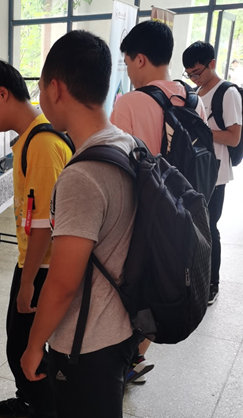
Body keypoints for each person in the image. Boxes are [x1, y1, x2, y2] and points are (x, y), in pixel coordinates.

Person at [20, 30, 139, 418]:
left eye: (39, 88)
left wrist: (33, 345)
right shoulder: (127, 144)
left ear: (55, 88)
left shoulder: (82, 176)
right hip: (123, 323)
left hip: (85, 345)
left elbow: (63, 282)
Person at [0, 60, 73, 418]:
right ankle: (30, 401)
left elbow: (44, 224)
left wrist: (27, 283)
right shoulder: (32, 138)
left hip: (42, 266)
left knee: (25, 350)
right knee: (20, 343)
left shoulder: (41, 144)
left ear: (2, 93)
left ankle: (43, 409)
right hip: (33, 261)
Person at [109, 20, 207, 384]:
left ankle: (118, 363)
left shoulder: (131, 102)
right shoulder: (191, 99)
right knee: (162, 282)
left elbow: (116, 168)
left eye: (127, 62)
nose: (128, 71)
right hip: (181, 210)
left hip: (140, 214)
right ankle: (137, 356)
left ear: (139, 59)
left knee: (129, 288)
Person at [183, 42, 242, 305]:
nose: (193, 78)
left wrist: (201, 132)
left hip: (216, 174)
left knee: (210, 228)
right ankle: (196, 278)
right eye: (189, 74)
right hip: (196, 172)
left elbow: (233, 137)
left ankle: (212, 283)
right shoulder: (196, 92)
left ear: (212, 63)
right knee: (195, 228)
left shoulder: (227, 93)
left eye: (197, 72)